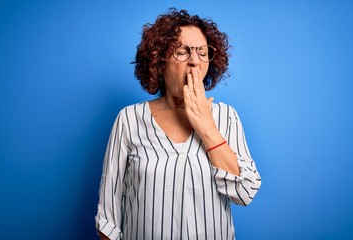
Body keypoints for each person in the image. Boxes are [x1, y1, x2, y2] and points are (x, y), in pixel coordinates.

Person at [95, 8, 261, 240]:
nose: (194, 61)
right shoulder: (129, 119)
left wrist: (206, 126)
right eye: (182, 51)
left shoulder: (226, 117)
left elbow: (245, 192)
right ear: (159, 61)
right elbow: (107, 220)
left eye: (202, 52)